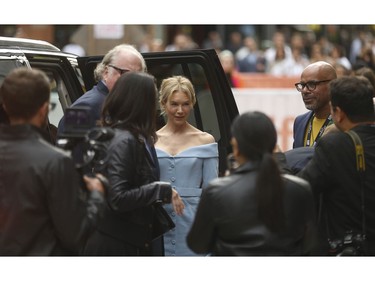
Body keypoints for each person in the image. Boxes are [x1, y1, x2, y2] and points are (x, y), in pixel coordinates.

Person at [0, 68, 106, 256]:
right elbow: (74, 235)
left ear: (5, 106)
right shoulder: (55, 161)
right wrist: (97, 195)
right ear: (44, 109)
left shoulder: (55, 161)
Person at [83, 72, 185, 256]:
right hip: (115, 244)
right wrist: (161, 190)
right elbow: (117, 197)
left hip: (125, 239)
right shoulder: (124, 140)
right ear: (141, 102)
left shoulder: (127, 135)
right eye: (152, 98)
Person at [186, 111, 316, 256]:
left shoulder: (217, 191)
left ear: (235, 147)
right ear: (274, 146)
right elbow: (313, 246)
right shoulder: (300, 189)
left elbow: (198, 245)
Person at [298, 76, 375, 255]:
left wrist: (278, 159)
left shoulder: (335, 145)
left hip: (350, 251)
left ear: (338, 113)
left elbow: (303, 188)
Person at [155, 75, 218, 256]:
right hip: (159, 223)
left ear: (193, 104)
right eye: (174, 104)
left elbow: (211, 192)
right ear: (163, 103)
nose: (180, 110)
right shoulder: (151, 140)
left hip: (193, 223)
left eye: (186, 104)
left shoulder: (205, 140)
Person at [57, 43, 146, 135]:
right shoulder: (85, 107)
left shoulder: (124, 105)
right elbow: (67, 145)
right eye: (125, 73)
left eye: (138, 76)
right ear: (106, 72)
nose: (134, 81)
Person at [283, 61, 337, 174]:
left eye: (312, 84)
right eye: (302, 85)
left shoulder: (344, 122)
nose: (304, 91)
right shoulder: (300, 121)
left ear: (332, 85)